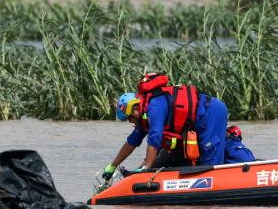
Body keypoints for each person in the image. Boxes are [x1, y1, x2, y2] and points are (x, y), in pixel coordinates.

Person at [98, 74, 230, 184]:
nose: (130, 121)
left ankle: (221, 182)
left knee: (209, 158)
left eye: (129, 118)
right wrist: (113, 165)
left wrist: (146, 169)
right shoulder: (144, 116)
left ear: (135, 109)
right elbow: (132, 141)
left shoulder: (154, 107)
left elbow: (155, 138)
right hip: (198, 120)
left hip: (211, 112)